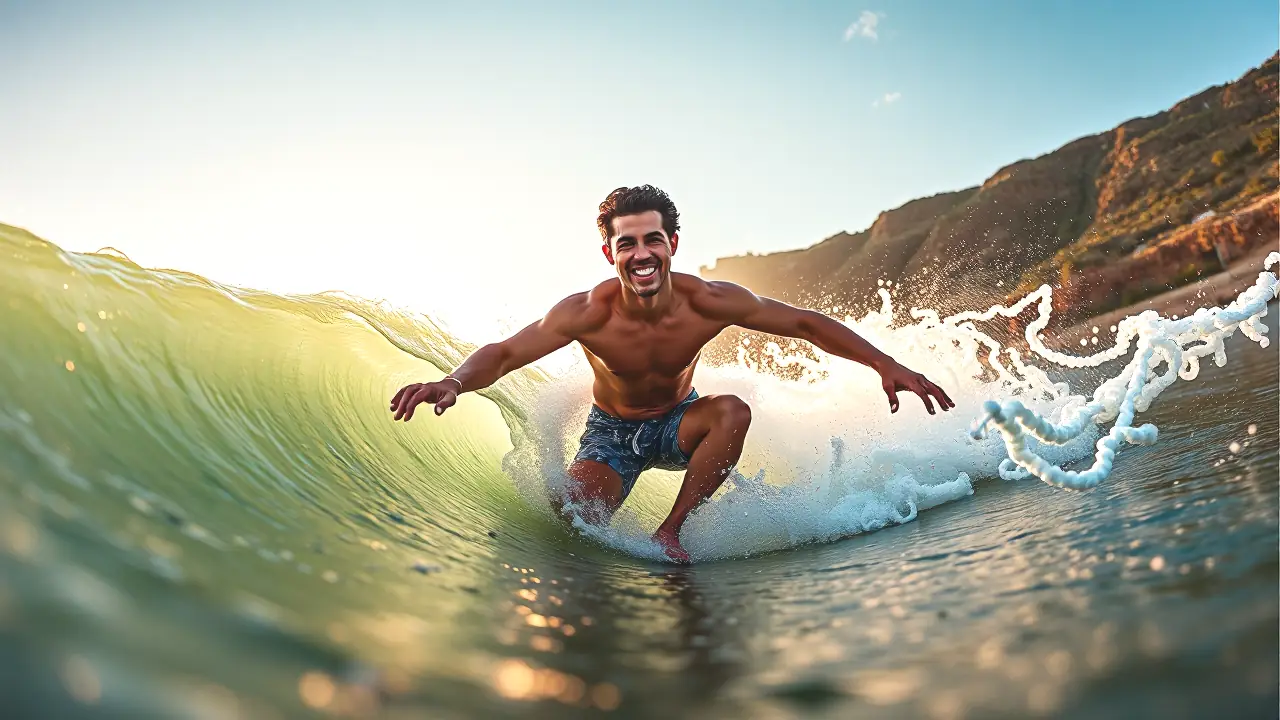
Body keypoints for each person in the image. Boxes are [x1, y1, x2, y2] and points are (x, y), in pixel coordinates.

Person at [389, 185, 955, 563]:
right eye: (626, 242)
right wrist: (455, 381)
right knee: (575, 527)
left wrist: (886, 363)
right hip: (610, 434)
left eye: (652, 239)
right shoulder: (585, 313)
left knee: (732, 410)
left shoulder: (709, 301)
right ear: (609, 252)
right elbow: (508, 352)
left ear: (672, 243)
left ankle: (671, 530)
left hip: (678, 423)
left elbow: (804, 322)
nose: (641, 254)